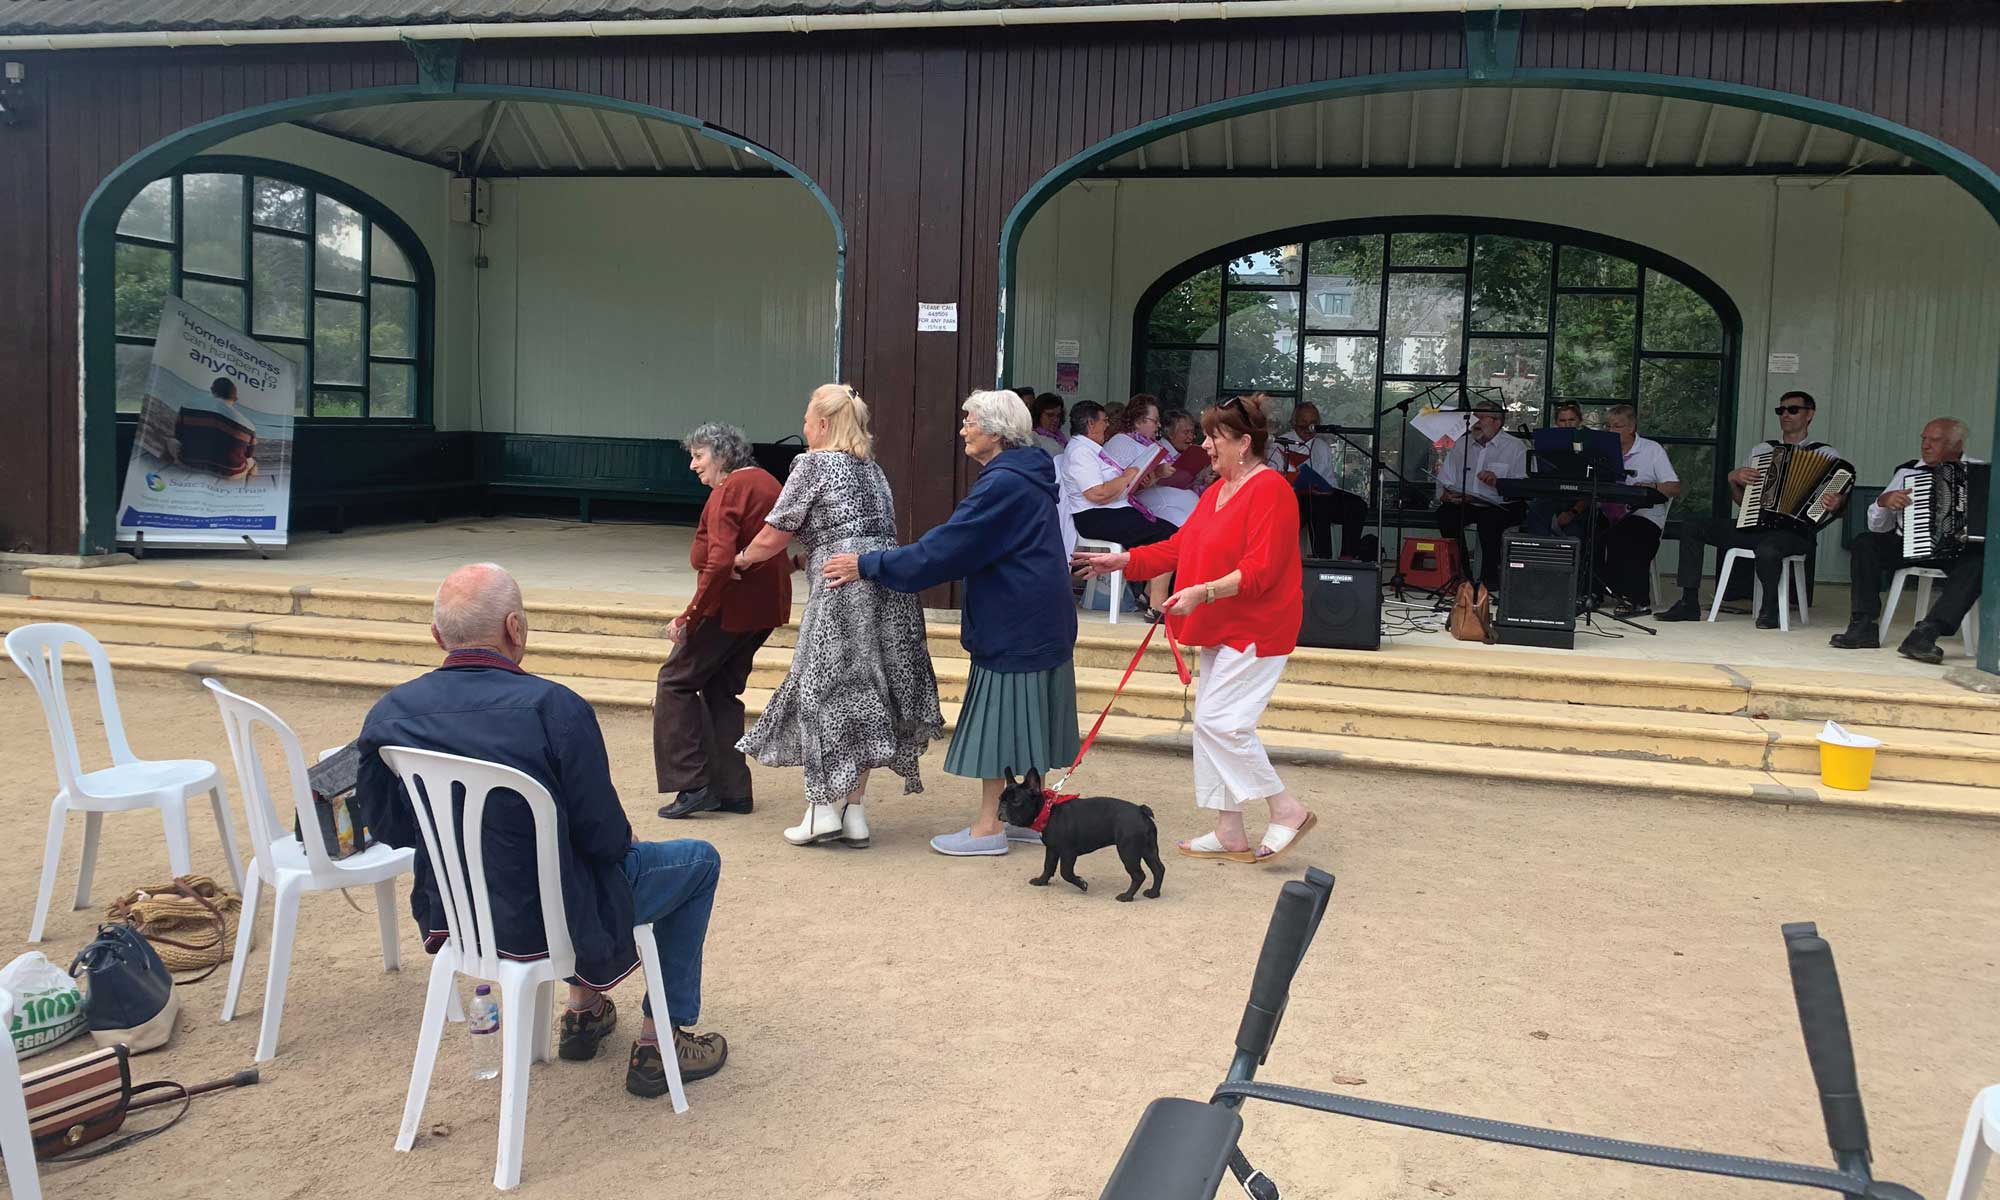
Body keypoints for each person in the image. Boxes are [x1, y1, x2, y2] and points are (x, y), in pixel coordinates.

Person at [354, 563, 727, 1097]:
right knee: (697, 861)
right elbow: (603, 840)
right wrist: (626, 841)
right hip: (561, 921)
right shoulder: (556, 708)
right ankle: (658, 1039)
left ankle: (585, 1009)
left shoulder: (390, 713)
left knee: (561, 858)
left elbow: (389, 826)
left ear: (437, 636)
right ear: (516, 628)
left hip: (462, 920)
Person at [821, 390, 1080, 858]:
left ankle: (989, 828)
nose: (962, 428)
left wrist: (868, 564)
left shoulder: (1003, 483)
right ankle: (1028, 814)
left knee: (1002, 723)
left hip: (1017, 623)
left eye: (969, 420)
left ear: (996, 431)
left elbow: (946, 548)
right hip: (1043, 617)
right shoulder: (1029, 473)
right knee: (1032, 720)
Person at [1075, 393, 1316, 865]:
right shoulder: (1217, 491)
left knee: (1219, 723)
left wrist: (1202, 592)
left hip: (1257, 626)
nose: (1205, 445)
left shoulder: (1270, 490)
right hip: (1221, 624)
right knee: (1210, 727)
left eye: (1214, 437)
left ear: (1244, 443)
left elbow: (1262, 569)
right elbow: (1178, 547)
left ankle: (1286, 808)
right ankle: (1230, 830)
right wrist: (1123, 560)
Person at [733, 384, 946, 847]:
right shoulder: (872, 470)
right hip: (887, 587)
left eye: (807, 421)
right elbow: (857, 531)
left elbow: (776, 532)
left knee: (824, 690)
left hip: (842, 588)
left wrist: (741, 560)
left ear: (824, 424)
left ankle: (821, 810)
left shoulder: (812, 463)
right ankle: (853, 813)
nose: (804, 429)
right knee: (872, 693)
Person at [655, 423, 791, 821]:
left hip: (729, 609)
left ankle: (692, 784)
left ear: (722, 454)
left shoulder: (729, 489)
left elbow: (718, 562)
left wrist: (689, 616)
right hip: (762, 610)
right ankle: (732, 791)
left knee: (675, 682)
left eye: (699, 456)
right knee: (720, 691)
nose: (694, 466)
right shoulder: (766, 481)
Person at [1657, 389, 1845, 627]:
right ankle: (1688, 602)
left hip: (1796, 533)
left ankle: (1770, 608)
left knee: (1769, 548)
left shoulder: (1825, 454)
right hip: (1755, 526)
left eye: (1793, 410)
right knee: (1693, 526)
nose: (1785, 415)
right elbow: (1742, 501)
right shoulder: (1762, 451)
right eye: (1781, 410)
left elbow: (1836, 505)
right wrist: (1733, 479)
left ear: (1810, 415)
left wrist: (1836, 502)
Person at [1829, 417, 1984, 664]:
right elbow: (1877, 526)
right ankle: (1863, 626)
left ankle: (1926, 633)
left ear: (1956, 444)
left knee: (1979, 563)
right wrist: (1883, 502)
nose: (1926, 445)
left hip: (1957, 551)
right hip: (1909, 545)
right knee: (1865, 543)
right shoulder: (1908, 471)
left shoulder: (1979, 472)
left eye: (1934, 440)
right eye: (1923, 439)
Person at [1059, 399, 1174, 618]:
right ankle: (1156, 603)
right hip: (1097, 517)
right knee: (1167, 537)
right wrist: (1129, 474)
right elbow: (1098, 494)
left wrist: (1148, 474)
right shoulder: (1080, 452)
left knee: (1171, 533)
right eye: (1105, 421)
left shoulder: (1092, 450)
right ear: (1091, 424)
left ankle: (1150, 594)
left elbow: (1116, 488)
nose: (1108, 425)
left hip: (1113, 511)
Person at [1594, 405, 1682, 617]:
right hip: (1608, 512)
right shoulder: (1602, 451)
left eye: (1618, 426)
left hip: (1644, 516)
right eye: (1609, 426)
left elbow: (1674, 487)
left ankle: (1636, 599)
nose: (1612, 431)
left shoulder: (1652, 450)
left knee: (1627, 533)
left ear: (1632, 427)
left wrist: (1650, 487)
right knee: (1584, 530)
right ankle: (1592, 592)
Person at [1432, 401, 1528, 593]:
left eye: (1481, 417)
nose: (1476, 422)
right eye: (1474, 417)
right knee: (1446, 515)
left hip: (1502, 504)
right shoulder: (1463, 443)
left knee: (1490, 521)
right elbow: (1445, 478)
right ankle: (1462, 573)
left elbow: (1524, 485)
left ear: (1497, 422)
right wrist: (1446, 496)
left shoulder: (1515, 447)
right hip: (1468, 502)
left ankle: (1489, 579)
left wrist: (1499, 482)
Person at [1266, 401, 1370, 561]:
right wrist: (1302, 489)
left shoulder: (1322, 446)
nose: (1309, 428)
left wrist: (1327, 489)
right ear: (1294, 423)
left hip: (1320, 495)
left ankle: (1347, 556)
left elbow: (1329, 481)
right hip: (1294, 498)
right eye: (1304, 423)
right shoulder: (1280, 444)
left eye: (1313, 424)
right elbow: (1272, 481)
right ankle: (1323, 559)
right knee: (1318, 503)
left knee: (1357, 505)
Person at [1102, 395, 1187, 521]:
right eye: (1155, 421)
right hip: (1131, 510)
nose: (1158, 425)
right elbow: (1125, 487)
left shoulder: (1150, 444)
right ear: (1138, 421)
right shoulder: (1121, 442)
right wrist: (1157, 473)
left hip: (1163, 502)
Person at [1523, 402, 1593, 538]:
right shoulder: (1548, 443)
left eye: (1572, 420)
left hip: (1579, 498)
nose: (1567, 425)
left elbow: (1593, 490)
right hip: (1551, 495)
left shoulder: (1592, 444)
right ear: (1556, 423)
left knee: (1575, 530)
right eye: (1562, 420)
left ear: (1580, 421)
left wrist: (1574, 512)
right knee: (1536, 514)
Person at [1031, 392, 1068, 457]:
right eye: (1050, 415)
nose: (1055, 420)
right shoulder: (1033, 439)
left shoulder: (1062, 436)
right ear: (1038, 415)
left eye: (1058, 416)